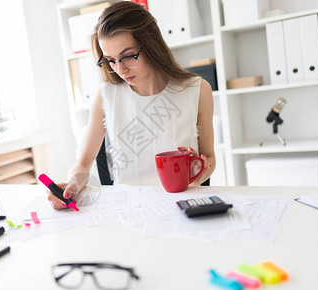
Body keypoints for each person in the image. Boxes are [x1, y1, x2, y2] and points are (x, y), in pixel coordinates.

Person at [48, 1, 215, 210]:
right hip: (129, 209)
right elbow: (82, 164)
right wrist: (73, 184)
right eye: (110, 60)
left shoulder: (197, 90)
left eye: (128, 56)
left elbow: (209, 157)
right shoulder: (106, 96)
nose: (120, 69)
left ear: (152, 44)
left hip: (181, 205)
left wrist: (199, 172)